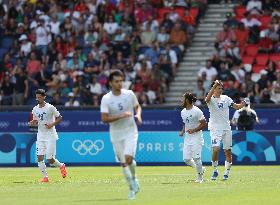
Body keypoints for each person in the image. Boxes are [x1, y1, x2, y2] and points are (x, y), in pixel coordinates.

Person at [100, 70, 142, 200]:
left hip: (130, 131)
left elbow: (138, 106)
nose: (120, 83)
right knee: (123, 163)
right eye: (117, 81)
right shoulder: (106, 99)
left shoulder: (129, 94)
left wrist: (138, 115)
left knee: (128, 159)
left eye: (121, 81)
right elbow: (104, 119)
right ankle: (132, 186)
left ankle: (133, 183)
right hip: (116, 134)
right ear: (111, 83)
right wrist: (121, 116)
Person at [205, 80, 245, 180]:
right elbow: (206, 99)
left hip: (226, 128)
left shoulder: (226, 98)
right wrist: (214, 85)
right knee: (216, 149)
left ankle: (226, 173)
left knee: (227, 151)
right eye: (218, 88)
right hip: (215, 128)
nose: (220, 90)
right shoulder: (211, 99)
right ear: (214, 89)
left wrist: (242, 104)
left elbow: (236, 107)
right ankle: (215, 170)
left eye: (221, 88)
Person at [28, 89, 67, 183]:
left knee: (50, 159)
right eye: (36, 97)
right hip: (40, 135)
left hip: (50, 135)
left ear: (44, 97)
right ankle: (45, 177)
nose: (37, 99)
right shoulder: (35, 109)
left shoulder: (50, 107)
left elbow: (60, 117)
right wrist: (33, 122)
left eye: (39, 97)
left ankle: (61, 166)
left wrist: (52, 124)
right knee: (39, 157)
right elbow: (36, 121)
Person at [179, 92, 207, 183]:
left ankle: (200, 177)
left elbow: (204, 124)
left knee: (196, 158)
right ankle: (201, 169)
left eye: (183, 98)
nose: (181, 100)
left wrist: (194, 130)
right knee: (186, 159)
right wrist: (183, 131)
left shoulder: (197, 111)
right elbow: (186, 123)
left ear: (187, 100)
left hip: (197, 137)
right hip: (188, 138)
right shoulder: (183, 112)